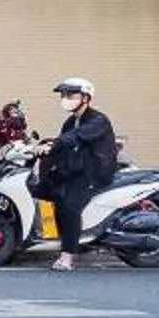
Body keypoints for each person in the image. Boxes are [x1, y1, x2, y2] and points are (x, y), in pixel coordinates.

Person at [33, 75, 120, 271]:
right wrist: (41, 148)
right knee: (40, 191)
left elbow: (74, 138)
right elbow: (62, 142)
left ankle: (67, 257)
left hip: (93, 173)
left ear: (86, 98)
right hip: (75, 170)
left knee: (69, 206)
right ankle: (49, 234)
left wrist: (55, 144)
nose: (65, 98)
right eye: (64, 94)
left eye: (71, 94)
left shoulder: (98, 120)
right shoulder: (71, 122)